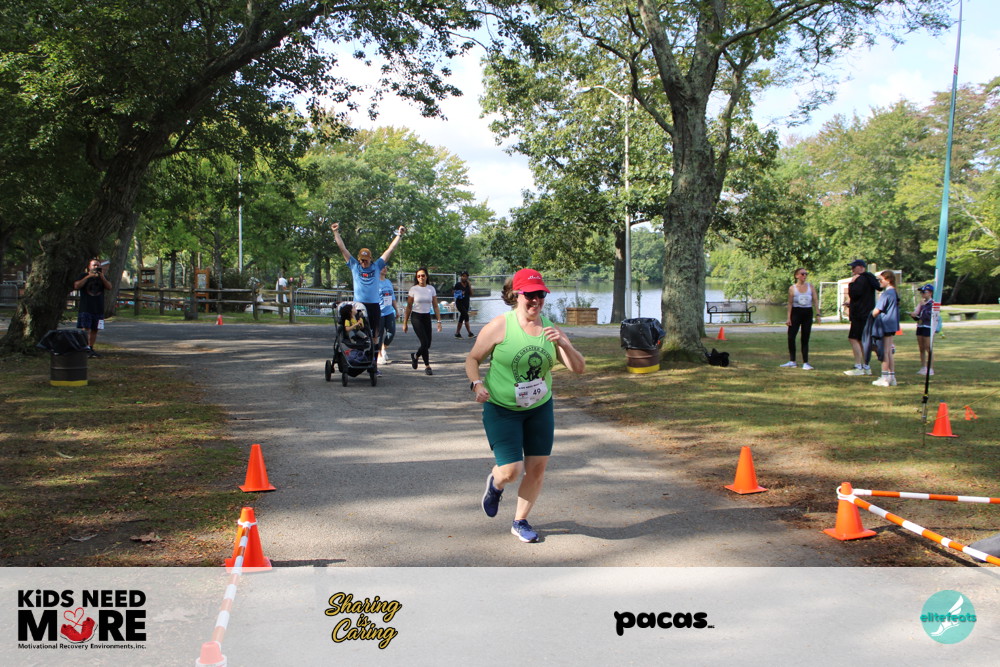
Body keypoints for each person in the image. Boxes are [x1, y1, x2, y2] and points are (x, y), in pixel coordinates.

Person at [465, 268, 586, 543]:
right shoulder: (500, 326)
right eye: (530, 295)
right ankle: (496, 483)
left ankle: (520, 521)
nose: (536, 301)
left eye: (540, 295)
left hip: (539, 408)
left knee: (537, 467)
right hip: (502, 408)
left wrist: (565, 344)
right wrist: (477, 384)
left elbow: (579, 368)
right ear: (517, 295)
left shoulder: (551, 330)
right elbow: (472, 359)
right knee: (511, 470)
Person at [331, 222, 404, 349]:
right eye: (361, 260)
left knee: (375, 335)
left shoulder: (377, 266)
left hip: (374, 305)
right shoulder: (355, 266)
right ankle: (360, 354)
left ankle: (374, 358)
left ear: (370, 259)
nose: (363, 262)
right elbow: (343, 249)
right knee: (360, 332)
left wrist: (399, 235)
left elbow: (390, 250)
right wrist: (335, 232)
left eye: (365, 260)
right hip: (359, 305)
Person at [843, 259, 882, 376]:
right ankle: (866, 366)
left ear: (861, 267)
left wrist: (852, 283)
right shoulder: (870, 278)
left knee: (853, 339)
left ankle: (858, 366)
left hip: (859, 315)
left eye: (854, 267)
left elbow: (855, 293)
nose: (852, 270)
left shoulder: (860, 279)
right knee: (862, 340)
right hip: (867, 313)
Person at [402, 268, 442, 375]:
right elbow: (409, 307)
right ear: (416, 278)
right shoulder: (413, 289)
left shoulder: (431, 289)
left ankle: (415, 356)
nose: (421, 278)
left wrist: (439, 321)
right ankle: (427, 366)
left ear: (426, 276)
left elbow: (435, 306)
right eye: (418, 276)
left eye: (423, 275)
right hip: (416, 317)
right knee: (424, 342)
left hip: (426, 317)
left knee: (428, 344)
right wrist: (405, 322)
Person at [780, 268, 820, 370]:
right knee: (791, 337)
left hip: (807, 313)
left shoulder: (810, 286)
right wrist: (788, 318)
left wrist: (818, 314)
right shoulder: (792, 288)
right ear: (797, 275)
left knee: (805, 338)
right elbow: (790, 303)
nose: (804, 276)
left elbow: (815, 300)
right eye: (802, 274)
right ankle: (792, 361)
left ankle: (805, 362)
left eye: (806, 274)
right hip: (796, 313)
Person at [73, 258, 112, 358]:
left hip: (98, 308)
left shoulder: (103, 277)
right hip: (86, 307)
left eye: (98, 265)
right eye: (94, 265)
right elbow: (76, 286)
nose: (96, 267)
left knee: (95, 329)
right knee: (86, 329)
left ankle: (90, 348)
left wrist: (102, 277)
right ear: (89, 267)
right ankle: (84, 348)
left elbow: (109, 287)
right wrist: (89, 276)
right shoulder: (83, 276)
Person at [870, 270, 900, 387]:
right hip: (892, 324)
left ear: (888, 280)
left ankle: (884, 377)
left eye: (881, 280)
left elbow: (876, 311)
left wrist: (870, 316)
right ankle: (892, 377)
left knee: (884, 351)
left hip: (884, 324)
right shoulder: (894, 293)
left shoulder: (886, 294)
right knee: (889, 351)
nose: (879, 282)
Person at [911, 284, 934, 376]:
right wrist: (914, 315)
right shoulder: (921, 303)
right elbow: (918, 314)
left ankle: (930, 368)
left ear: (930, 293)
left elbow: (930, 316)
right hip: (920, 326)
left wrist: (923, 309)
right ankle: (923, 367)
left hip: (927, 327)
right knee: (921, 348)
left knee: (928, 347)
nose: (922, 294)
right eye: (921, 292)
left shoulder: (932, 304)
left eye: (924, 292)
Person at [378, 266, 397, 365]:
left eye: (386, 267)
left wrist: (396, 310)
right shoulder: (375, 282)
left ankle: (383, 348)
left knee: (391, 333)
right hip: (379, 312)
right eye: (382, 267)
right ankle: (379, 355)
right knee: (379, 334)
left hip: (389, 311)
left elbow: (392, 297)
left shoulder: (388, 282)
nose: (384, 269)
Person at [452, 271, 475, 338]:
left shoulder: (468, 285)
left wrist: (469, 285)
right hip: (459, 303)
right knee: (466, 315)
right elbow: (453, 293)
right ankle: (469, 333)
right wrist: (460, 293)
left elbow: (471, 294)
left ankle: (458, 333)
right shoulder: (458, 284)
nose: (464, 277)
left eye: (466, 276)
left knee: (462, 317)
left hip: (466, 303)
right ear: (461, 277)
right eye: (463, 276)